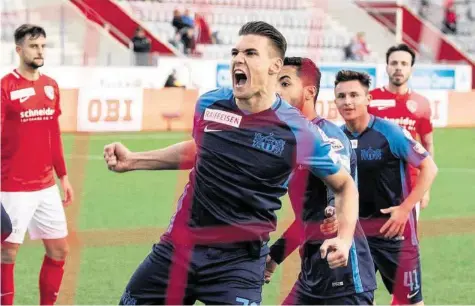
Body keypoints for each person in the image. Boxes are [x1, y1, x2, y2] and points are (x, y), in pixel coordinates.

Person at [104, 21, 359, 305]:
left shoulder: (299, 131)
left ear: (275, 67)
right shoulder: (209, 106)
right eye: (235, 53)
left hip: (239, 263)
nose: (239, 59)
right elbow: (200, 151)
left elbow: (345, 186)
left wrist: (345, 239)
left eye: (250, 53)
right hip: (179, 247)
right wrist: (135, 160)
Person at [264, 57, 376, 305]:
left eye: (284, 83)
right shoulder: (291, 140)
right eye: (274, 82)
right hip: (312, 273)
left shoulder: (328, 138)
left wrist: (339, 226)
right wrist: (275, 256)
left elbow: (339, 197)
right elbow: (309, 219)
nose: (275, 90)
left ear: (308, 92)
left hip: (343, 274)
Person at [335, 70, 438, 305]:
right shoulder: (336, 138)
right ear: (335, 101)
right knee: (350, 300)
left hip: (395, 235)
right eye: (341, 96)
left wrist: (405, 209)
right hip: (356, 236)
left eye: (354, 95)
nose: (348, 101)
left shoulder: (389, 132)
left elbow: (429, 168)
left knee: (410, 302)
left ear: (368, 99)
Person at [1, 24, 74, 305]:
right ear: (19, 50)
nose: (39, 51)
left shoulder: (51, 86)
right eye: (33, 46)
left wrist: (64, 176)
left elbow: (53, 134)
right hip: (12, 186)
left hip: (45, 186)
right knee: (7, 254)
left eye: (42, 46)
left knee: (59, 251)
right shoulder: (5, 87)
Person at [369, 44, 434, 219]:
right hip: (373, 185)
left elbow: (428, 146)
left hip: (410, 187)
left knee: (406, 244)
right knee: (370, 243)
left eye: (404, 64)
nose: (398, 67)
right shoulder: (369, 100)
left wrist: (425, 190)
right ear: (387, 67)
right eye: (394, 63)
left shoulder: (421, 104)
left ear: (411, 69)